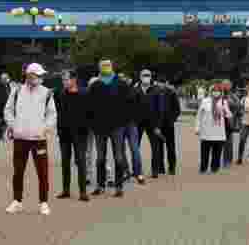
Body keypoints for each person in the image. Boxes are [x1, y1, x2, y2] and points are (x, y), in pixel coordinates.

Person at [4, 63, 58, 215]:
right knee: (18, 171)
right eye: (37, 75)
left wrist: (45, 128)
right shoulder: (16, 91)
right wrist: (14, 126)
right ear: (28, 75)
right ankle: (17, 201)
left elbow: (52, 114)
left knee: (43, 172)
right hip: (20, 138)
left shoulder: (46, 93)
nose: (40, 78)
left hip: (38, 139)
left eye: (41, 75)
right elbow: (8, 110)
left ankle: (43, 202)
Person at [87, 59, 131, 198]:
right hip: (99, 127)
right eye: (103, 66)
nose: (106, 67)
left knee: (118, 157)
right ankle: (100, 186)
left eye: (108, 65)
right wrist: (92, 124)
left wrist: (124, 123)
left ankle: (119, 187)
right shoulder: (95, 85)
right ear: (99, 68)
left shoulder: (121, 84)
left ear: (112, 67)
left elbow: (129, 104)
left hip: (117, 126)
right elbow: (89, 106)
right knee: (100, 158)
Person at [54, 71, 91, 200]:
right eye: (63, 80)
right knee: (65, 162)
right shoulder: (60, 94)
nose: (64, 82)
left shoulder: (84, 94)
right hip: (64, 133)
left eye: (66, 79)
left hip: (80, 134)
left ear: (74, 80)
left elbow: (90, 112)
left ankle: (83, 192)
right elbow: (56, 111)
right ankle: (66, 190)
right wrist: (58, 128)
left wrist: (87, 127)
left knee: (81, 161)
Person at [135, 69, 166, 179]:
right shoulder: (135, 90)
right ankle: (137, 170)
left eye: (148, 75)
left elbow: (160, 109)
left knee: (155, 147)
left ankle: (155, 170)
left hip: (153, 124)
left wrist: (158, 126)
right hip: (138, 123)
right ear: (140, 77)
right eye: (144, 75)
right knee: (135, 147)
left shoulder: (157, 90)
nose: (146, 77)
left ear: (151, 77)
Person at [197, 84, 229, 174]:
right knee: (205, 152)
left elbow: (229, 115)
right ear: (211, 92)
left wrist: (224, 110)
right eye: (214, 91)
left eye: (218, 91)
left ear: (221, 92)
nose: (216, 92)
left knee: (217, 152)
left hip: (218, 131)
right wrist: (197, 127)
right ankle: (203, 168)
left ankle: (214, 168)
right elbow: (199, 115)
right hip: (207, 131)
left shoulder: (223, 102)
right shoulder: (205, 101)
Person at [160, 80, 181, 175]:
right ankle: (160, 167)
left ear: (166, 83)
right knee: (158, 147)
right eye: (159, 82)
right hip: (158, 124)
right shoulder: (154, 92)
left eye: (162, 82)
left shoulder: (171, 93)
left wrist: (172, 119)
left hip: (168, 124)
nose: (161, 84)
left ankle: (172, 167)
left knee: (171, 146)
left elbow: (177, 109)